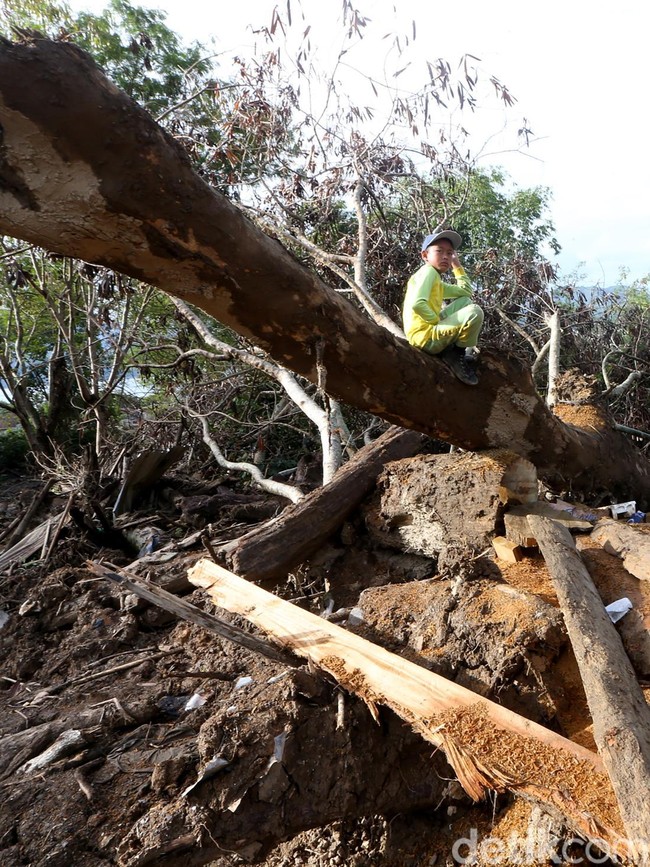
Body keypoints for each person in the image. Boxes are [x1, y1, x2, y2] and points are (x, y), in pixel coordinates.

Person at [402, 229, 484, 386]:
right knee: (474, 311)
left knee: (465, 302)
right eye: (439, 251)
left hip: (428, 333)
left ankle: (454, 350)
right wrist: (435, 320)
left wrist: (456, 265)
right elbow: (417, 304)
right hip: (425, 337)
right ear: (425, 255)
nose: (445, 256)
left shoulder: (436, 280)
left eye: (450, 253)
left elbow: (466, 291)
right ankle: (456, 354)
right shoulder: (427, 272)